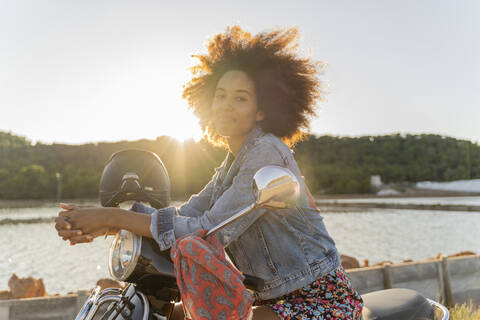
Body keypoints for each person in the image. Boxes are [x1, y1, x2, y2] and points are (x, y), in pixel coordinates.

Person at [55, 26, 363, 319]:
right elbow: (187, 213)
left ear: (262, 110)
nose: (225, 105)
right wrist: (100, 225)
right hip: (268, 300)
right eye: (220, 95)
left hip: (319, 302)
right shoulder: (231, 164)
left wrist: (111, 218)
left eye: (240, 98)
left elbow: (208, 228)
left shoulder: (268, 154)